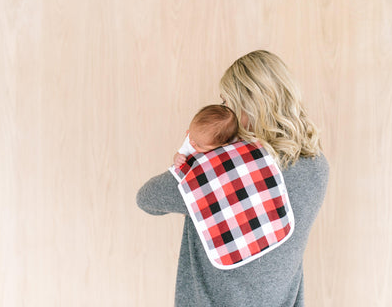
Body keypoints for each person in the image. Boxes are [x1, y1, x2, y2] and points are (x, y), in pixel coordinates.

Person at [136, 50, 330, 306]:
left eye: (228, 103)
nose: (224, 111)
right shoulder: (317, 167)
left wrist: (191, 156)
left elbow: (147, 198)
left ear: (248, 107)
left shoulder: (214, 171)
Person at [173, 104, 239, 168]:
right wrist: (178, 158)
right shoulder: (192, 140)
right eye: (189, 133)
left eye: (198, 145)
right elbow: (179, 153)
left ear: (222, 145)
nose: (191, 142)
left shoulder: (231, 142)